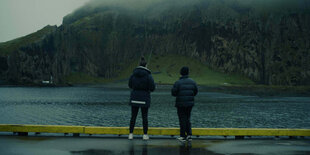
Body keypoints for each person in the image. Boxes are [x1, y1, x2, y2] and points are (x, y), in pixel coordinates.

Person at [128, 56, 155, 140]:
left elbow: (129, 85)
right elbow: (152, 87)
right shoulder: (148, 75)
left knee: (133, 116)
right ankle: (145, 134)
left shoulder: (133, 74)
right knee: (144, 117)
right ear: (146, 65)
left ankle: (130, 134)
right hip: (144, 98)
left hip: (134, 98)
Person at [171, 66, 198, 142]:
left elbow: (173, 93)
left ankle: (183, 135)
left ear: (181, 73)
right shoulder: (193, 82)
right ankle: (189, 135)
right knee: (187, 118)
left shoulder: (178, 82)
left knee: (182, 119)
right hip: (190, 103)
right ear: (188, 73)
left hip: (180, 103)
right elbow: (195, 91)